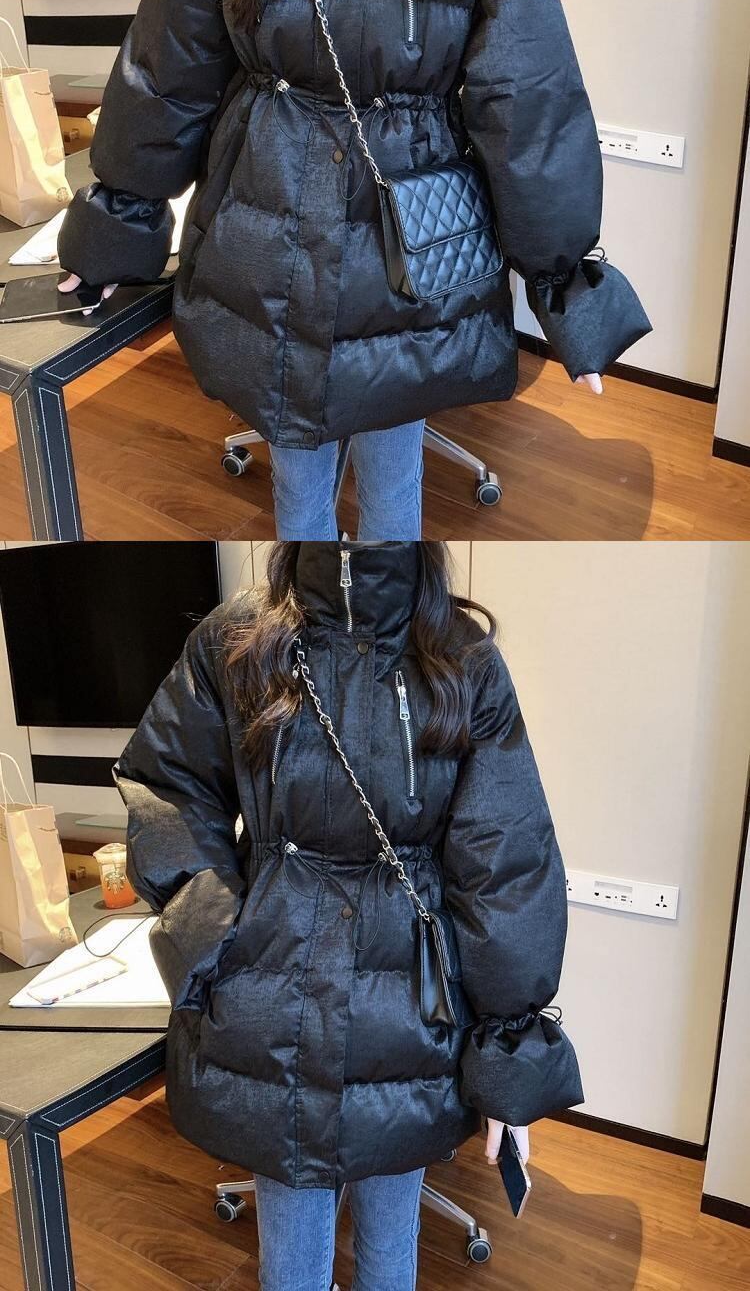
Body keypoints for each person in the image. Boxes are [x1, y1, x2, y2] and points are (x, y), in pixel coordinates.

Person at [55, 0, 650, 538]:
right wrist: (119, 219)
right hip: (269, 204)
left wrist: (565, 282)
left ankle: (373, 594)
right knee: (297, 465)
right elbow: (170, 67)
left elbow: (527, 99)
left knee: (392, 460)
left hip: (410, 223)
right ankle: (307, 593)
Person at [113, 540, 583, 1291]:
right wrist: (212, 931)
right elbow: (168, 782)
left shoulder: (458, 656)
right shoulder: (239, 638)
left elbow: (505, 858)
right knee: (291, 1260)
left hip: (411, 1003)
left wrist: (511, 1049)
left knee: (389, 1251)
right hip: (268, 991)